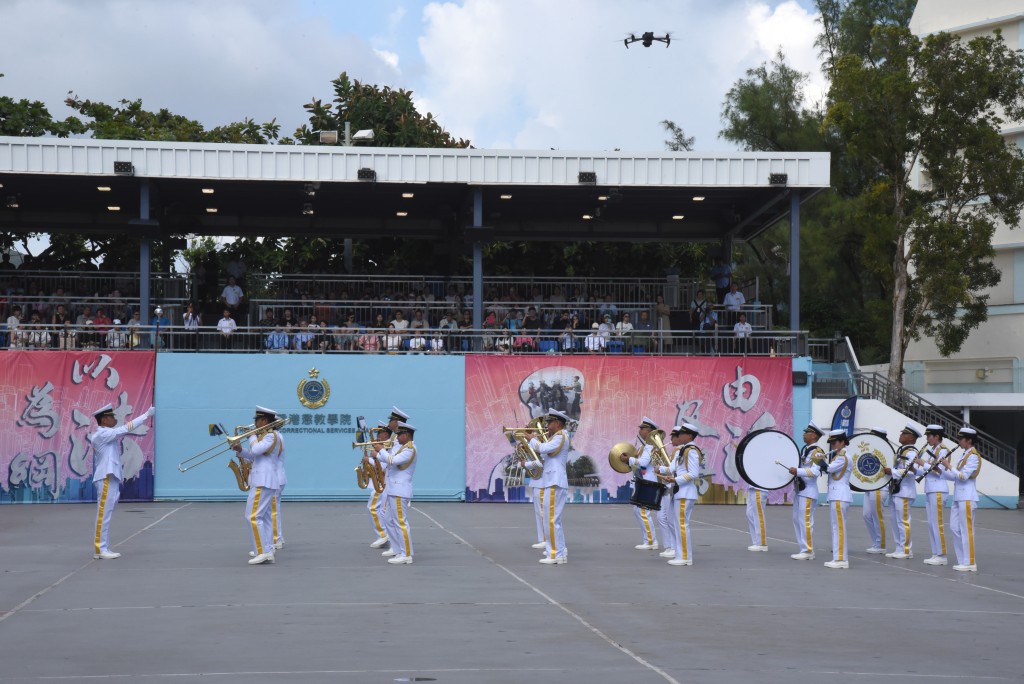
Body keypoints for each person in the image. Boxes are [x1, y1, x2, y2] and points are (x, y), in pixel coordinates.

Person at [89, 403, 155, 559]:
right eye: (111, 417)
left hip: (110, 477)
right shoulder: (102, 434)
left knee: (107, 513)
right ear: (104, 420)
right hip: (105, 477)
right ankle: (100, 548)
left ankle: (102, 547)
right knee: (103, 514)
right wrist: (146, 415)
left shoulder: (106, 434)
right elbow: (125, 428)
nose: (114, 419)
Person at [232, 406, 284, 565]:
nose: (254, 423)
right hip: (262, 479)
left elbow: (255, 449)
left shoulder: (271, 436)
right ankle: (266, 548)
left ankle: (263, 551)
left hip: (264, 480)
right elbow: (254, 456)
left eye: (257, 420)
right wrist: (240, 450)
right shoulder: (264, 436)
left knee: (253, 516)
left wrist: (251, 435)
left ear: (264, 421)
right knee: (264, 517)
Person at [525, 409, 571, 565]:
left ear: (558, 423)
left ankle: (554, 554)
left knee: (550, 520)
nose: (547, 426)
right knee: (554, 520)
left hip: (554, 481)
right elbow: (544, 456)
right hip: (554, 480)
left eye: (549, 423)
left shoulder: (560, 436)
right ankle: (560, 551)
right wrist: (536, 440)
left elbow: (542, 449)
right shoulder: (558, 437)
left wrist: (532, 439)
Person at [370, 420, 418, 565]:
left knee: (400, 523)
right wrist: (379, 453)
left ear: (407, 435)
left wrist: (380, 450)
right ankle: (398, 550)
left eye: (399, 435)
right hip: (393, 488)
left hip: (399, 489)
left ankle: (407, 554)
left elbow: (392, 460)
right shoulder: (403, 447)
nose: (396, 438)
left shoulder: (409, 449)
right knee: (388, 520)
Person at [938, 427, 982, 571]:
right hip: (959, 497)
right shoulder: (965, 454)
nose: (959, 441)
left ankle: (970, 563)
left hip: (967, 498)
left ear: (969, 440)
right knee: (954, 528)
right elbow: (955, 476)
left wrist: (948, 465)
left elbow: (963, 476)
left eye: (961, 439)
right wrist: (941, 471)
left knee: (966, 530)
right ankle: (963, 559)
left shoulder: (974, 456)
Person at [659, 423, 703, 566]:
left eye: (681, 434)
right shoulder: (683, 450)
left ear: (689, 436)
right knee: (676, 524)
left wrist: (675, 479)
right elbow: (674, 468)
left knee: (682, 525)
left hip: (685, 493)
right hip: (679, 492)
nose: (678, 436)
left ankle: (685, 557)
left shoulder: (692, 451)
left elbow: (693, 473)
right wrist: (661, 471)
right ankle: (680, 554)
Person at [366, 408, 408, 550]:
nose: (389, 423)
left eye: (391, 420)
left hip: (394, 485)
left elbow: (390, 461)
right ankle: (396, 547)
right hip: (389, 483)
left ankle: (401, 550)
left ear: (397, 422)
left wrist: (376, 455)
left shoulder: (403, 444)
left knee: (396, 520)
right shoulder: (395, 440)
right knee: (389, 517)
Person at [619, 417, 661, 551]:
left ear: (649, 431)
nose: (640, 430)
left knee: (643, 512)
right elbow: (639, 462)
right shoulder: (645, 446)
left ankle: (650, 541)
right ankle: (647, 539)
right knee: (638, 511)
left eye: (642, 428)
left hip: (648, 482)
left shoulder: (651, 445)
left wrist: (629, 459)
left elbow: (643, 463)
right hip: (642, 481)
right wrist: (628, 460)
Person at [883, 424, 922, 559]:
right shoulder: (902, 449)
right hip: (897, 490)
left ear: (912, 437)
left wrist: (892, 471)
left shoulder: (911, 452)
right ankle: (899, 547)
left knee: (903, 521)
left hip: (905, 491)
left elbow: (911, 471)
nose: (901, 436)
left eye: (904, 434)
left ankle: (906, 550)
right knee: (895, 521)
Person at [789, 422, 825, 560]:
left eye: (807, 432)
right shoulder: (806, 449)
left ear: (814, 435)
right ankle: (803, 548)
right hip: (801, 490)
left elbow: (816, 471)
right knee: (797, 520)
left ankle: (808, 551)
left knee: (805, 521)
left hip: (809, 491)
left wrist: (797, 471)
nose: (804, 435)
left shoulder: (818, 452)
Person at [918, 424, 951, 565]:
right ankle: (935, 553)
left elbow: (939, 470)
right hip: (931, 489)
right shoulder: (933, 449)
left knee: (937, 523)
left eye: (929, 436)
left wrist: (922, 463)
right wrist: (915, 468)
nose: (927, 439)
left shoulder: (943, 450)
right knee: (931, 523)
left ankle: (942, 555)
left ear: (936, 436)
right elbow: (927, 471)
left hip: (938, 490)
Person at [821, 429, 853, 569]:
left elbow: (828, 469)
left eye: (835, 442)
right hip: (837, 495)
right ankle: (838, 557)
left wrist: (819, 459)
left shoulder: (843, 457)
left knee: (838, 527)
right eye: (832, 443)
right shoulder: (838, 455)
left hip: (840, 495)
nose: (833, 446)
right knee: (836, 527)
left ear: (842, 442)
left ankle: (841, 559)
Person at [862, 426, 890, 555]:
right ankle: (875, 543)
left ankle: (881, 544)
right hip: (869, 487)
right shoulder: (870, 449)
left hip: (880, 487)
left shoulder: (886, 450)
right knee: (867, 515)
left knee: (877, 516)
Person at [746, 483, 768, 552]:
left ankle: (761, 544)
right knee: (749, 514)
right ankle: (756, 542)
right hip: (752, 487)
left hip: (759, 488)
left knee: (758, 515)